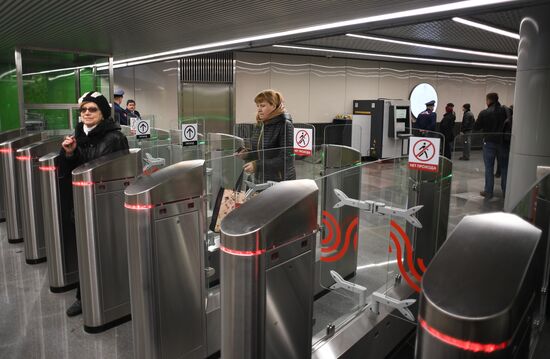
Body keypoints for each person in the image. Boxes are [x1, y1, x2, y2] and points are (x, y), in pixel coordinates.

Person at [59, 91, 129, 317]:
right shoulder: (78, 135)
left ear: (103, 113)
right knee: (85, 250)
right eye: (84, 110)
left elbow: (106, 170)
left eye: (93, 109)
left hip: (106, 203)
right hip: (82, 202)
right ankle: (84, 295)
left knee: (107, 248)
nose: (87, 113)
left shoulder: (114, 138)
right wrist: (69, 153)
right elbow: (73, 170)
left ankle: (115, 293)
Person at [240, 89, 296, 183]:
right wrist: (247, 154)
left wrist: (257, 165)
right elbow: (261, 152)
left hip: (280, 181)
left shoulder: (285, 124)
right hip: (261, 179)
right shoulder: (260, 125)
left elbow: (286, 159)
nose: (259, 109)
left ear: (273, 106)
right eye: (257, 106)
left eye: (262, 106)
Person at [474, 92, 508, 199]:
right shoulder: (506, 111)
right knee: (504, 168)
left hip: (489, 142)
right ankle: (506, 192)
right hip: (503, 142)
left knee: (489, 167)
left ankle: (488, 191)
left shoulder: (484, 113)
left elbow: (476, 127)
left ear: (488, 100)